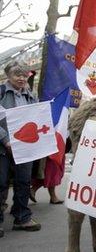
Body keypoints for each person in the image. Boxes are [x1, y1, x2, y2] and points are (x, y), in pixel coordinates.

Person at [0, 61, 41, 238]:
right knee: (0, 183)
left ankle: (22, 217)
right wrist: (6, 140)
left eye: (25, 75)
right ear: (8, 75)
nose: (22, 78)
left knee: (23, 181)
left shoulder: (31, 96)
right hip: (2, 147)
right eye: (18, 75)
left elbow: (37, 118)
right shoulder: (1, 92)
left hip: (25, 148)